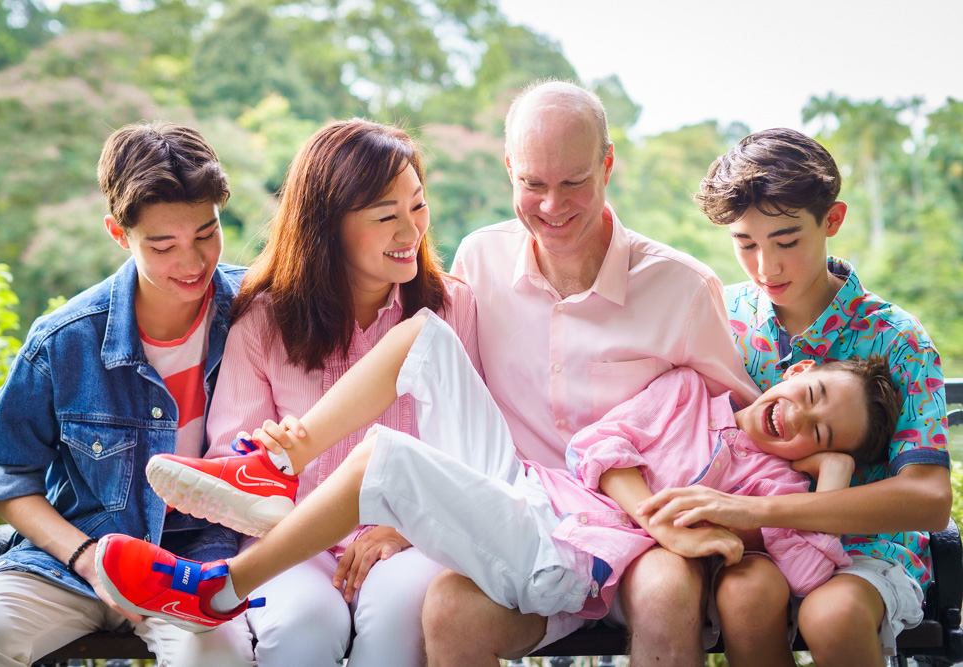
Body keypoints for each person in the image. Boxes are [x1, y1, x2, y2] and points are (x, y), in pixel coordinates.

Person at [90, 309, 900, 654]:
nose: (801, 419)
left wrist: (819, 474)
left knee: (385, 459)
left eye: (824, 434)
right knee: (425, 337)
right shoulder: (693, 391)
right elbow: (598, 444)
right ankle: (279, 464)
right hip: (533, 487)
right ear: (799, 368)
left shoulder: (779, 487)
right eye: (814, 395)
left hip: (561, 556)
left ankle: (221, 586)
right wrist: (658, 514)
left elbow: (810, 562)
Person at [437, 78, 761, 664]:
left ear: (607, 164)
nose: (552, 208)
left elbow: (737, 430)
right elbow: (451, 400)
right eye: (532, 184)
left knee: (665, 596)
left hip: (649, 533)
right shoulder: (477, 261)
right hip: (529, 523)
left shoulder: (681, 287)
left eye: (574, 183)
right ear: (509, 167)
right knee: (448, 611)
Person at [639, 127, 952, 666]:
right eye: (745, 243)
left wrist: (754, 506)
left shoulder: (897, 338)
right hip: (754, 546)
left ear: (832, 221)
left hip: (864, 551)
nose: (766, 267)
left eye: (786, 241)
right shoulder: (719, 315)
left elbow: (929, 498)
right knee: (742, 595)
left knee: (831, 616)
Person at [0, 122, 255, 666]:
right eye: (163, 245)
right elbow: (5, 472)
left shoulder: (257, 311)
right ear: (119, 234)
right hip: (77, 560)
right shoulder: (65, 339)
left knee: (221, 659)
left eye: (206, 233)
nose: (193, 263)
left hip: (200, 564)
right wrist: (86, 556)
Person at [193, 119, 479, 666]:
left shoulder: (451, 310)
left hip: (412, 535)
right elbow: (234, 467)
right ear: (328, 225)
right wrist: (269, 456)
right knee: (301, 628)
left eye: (417, 206)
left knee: (399, 621)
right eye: (385, 216)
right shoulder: (264, 320)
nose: (410, 231)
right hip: (294, 537)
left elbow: (470, 451)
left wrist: (404, 528)